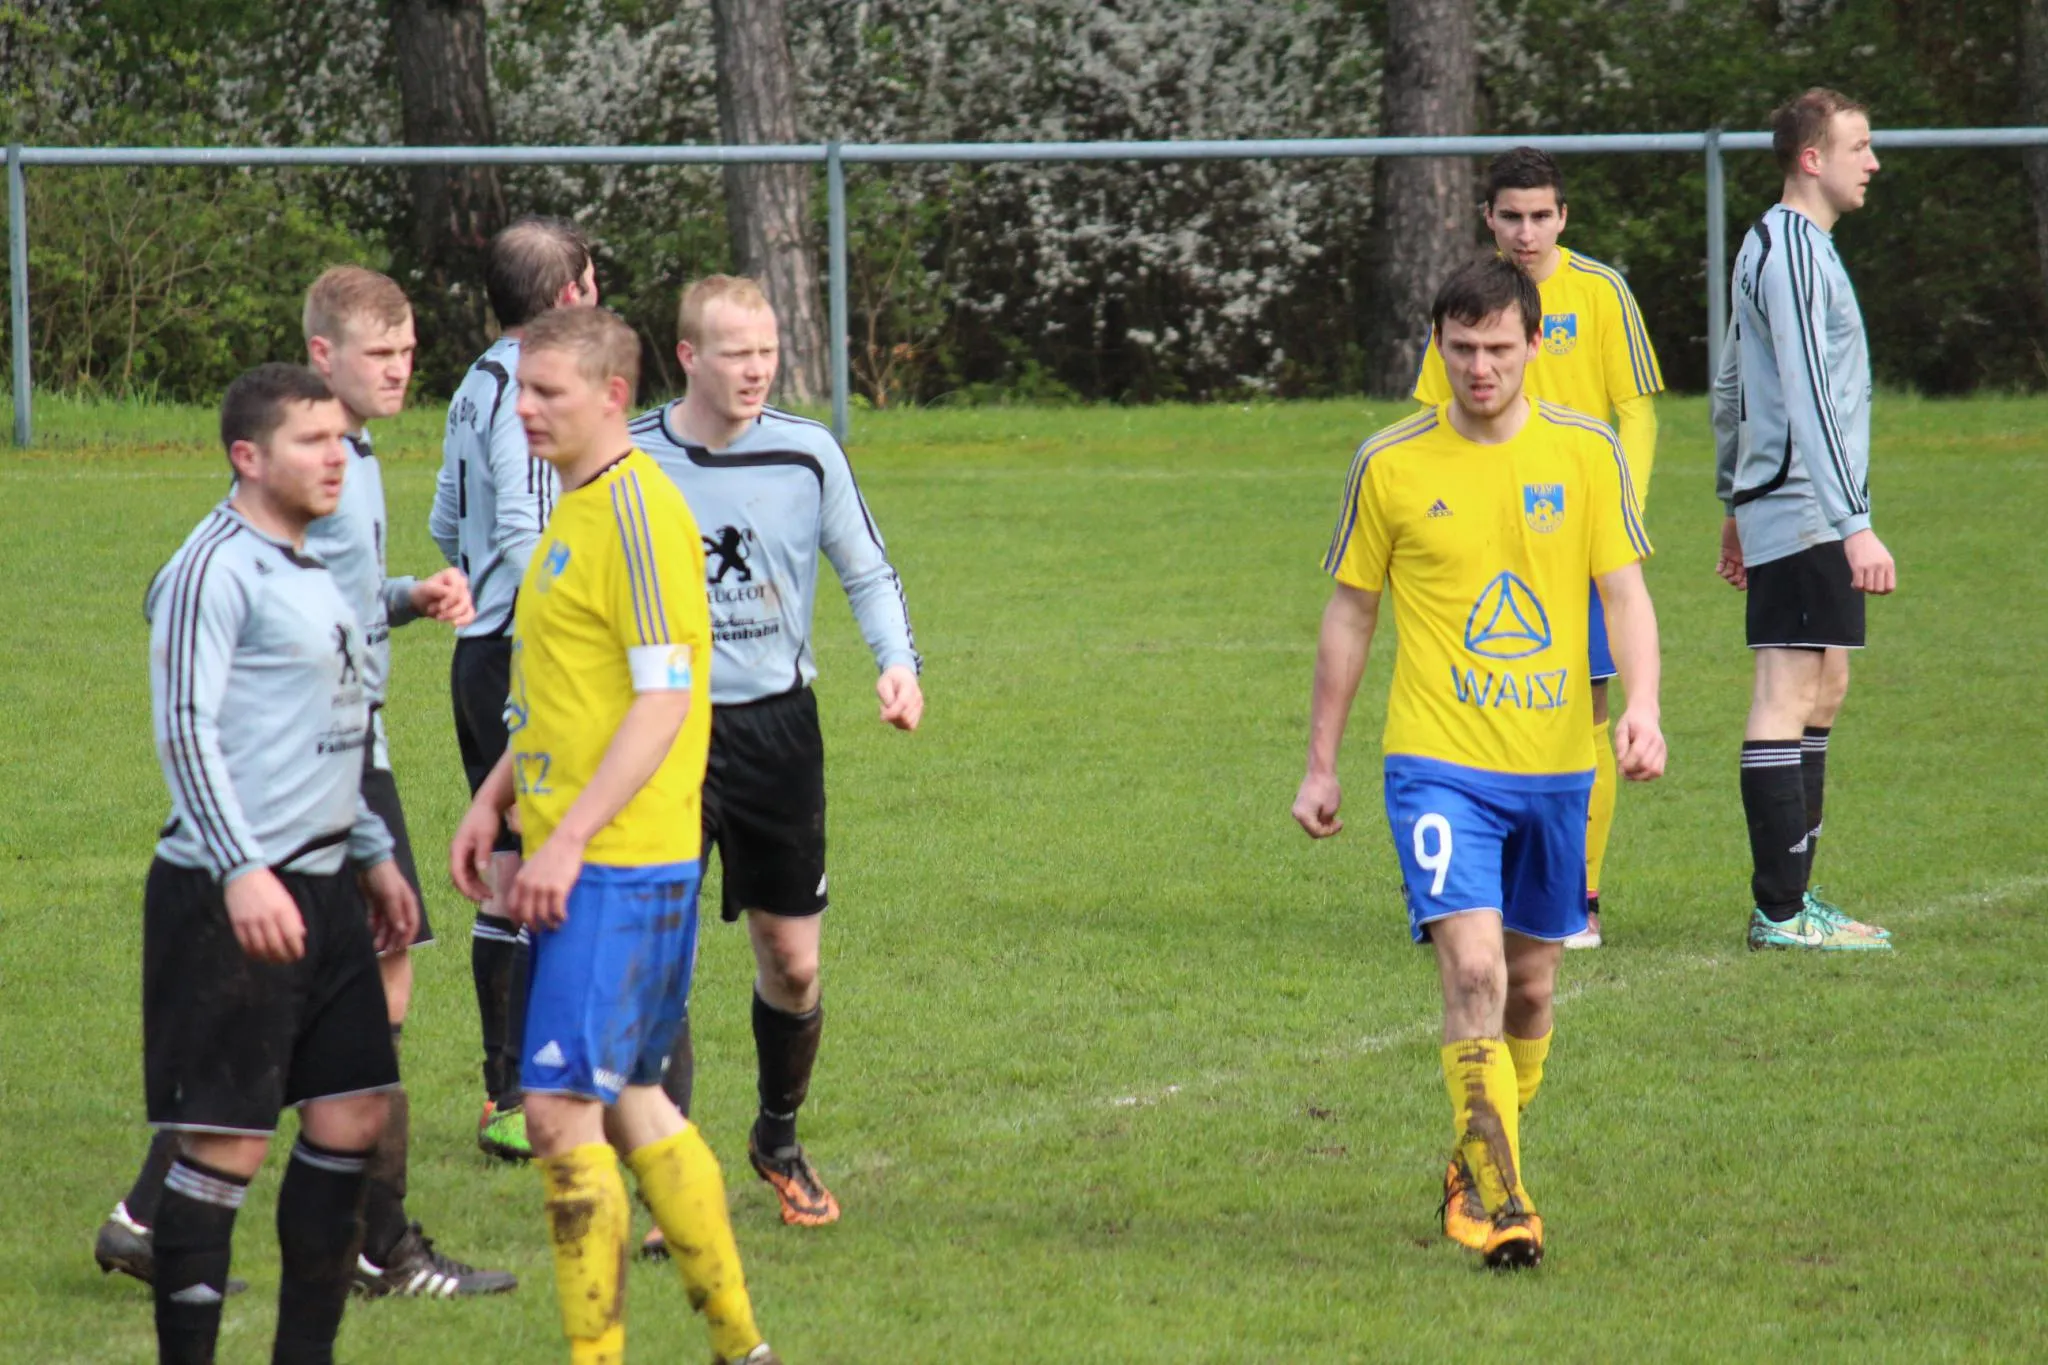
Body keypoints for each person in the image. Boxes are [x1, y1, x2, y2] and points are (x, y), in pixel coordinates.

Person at [96, 269, 516, 1301]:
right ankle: (372, 1244)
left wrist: (407, 596)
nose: (401, 368)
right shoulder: (308, 461)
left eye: (409, 351)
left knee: (340, 997)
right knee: (354, 996)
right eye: (382, 354)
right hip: (325, 757)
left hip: (347, 748)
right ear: (323, 356)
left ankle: (163, 1217)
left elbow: (329, 591)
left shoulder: (354, 459)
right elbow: (195, 586)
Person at [1294, 258, 1666, 1269]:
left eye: (1498, 348)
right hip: (1435, 763)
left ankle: (1476, 1154)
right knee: (1471, 968)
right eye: (1460, 348)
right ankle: (1501, 1198)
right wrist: (1320, 763)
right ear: (1437, 346)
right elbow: (1350, 614)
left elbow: (1623, 595)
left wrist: (1640, 707)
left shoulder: (1584, 451)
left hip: (1555, 768)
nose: (1479, 367)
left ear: (1534, 345)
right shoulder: (1388, 462)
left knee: (1531, 990)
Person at [449, 305, 779, 1365]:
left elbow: (663, 699)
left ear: (612, 397)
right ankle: (742, 1346)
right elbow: (569, 691)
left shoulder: (636, 512)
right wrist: (497, 796)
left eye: (548, 392)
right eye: (522, 388)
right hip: (592, 858)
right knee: (634, 1103)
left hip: (621, 863)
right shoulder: (575, 507)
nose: (525, 409)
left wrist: (566, 841)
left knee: (555, 1114)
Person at [134, 363, 418, 1364]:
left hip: (327, 887)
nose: (337, 457)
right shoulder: (211, 567)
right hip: (230, 894)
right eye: (312, 441)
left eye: (340, 440)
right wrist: (240, 868)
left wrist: (373, 855)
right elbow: (185, 726)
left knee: (352, 1116)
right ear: (247, 456)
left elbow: (332, 727)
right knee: (227, 1144)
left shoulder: (311, 567)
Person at [631, 274, 923, 1237]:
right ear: (689, 356)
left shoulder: (808, 452)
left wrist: (898, 665)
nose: (756, 369)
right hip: (662, 732)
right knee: (659, 960)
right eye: (736, 352)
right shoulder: (630, 459)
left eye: (767, 351)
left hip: (777, 733)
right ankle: (671, 1175)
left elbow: (868, 569)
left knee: (792, 963)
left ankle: (777, 1138)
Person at [1415, 146, 1664, 950]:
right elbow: (1429, 417)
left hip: (1573, 538)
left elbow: (1637, 410)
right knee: (1477, 706)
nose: (1526, 232)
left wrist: (1619, 514)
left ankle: (1579, 894)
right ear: (1487, 218)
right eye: (1511, 217)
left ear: (1563, 217)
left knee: (1582, 711)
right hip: (1483, 544)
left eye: (1540, 216)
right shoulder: (1470, 302)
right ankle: (1478, 888)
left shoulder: (1599, 291)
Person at [431, 217, 601, 1161]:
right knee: (539, 868)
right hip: (523, 652)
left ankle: (510, 1096)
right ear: (569, 294)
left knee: (505, 869)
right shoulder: (529, 392)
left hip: (478, 650)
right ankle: (530, 1091)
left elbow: (445, 519)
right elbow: (530, 534)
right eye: (591, 279)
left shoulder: (474, 381)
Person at [1712, 89, 1894, 952]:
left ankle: (1794, 901)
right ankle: (1780, 913)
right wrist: (1853, 521)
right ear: (1812, 159)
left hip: (1788, 499)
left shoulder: (1783, 243)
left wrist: (1732, 500)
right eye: (1859, 146)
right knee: (1786, 691)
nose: (1873, 162)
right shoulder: (1789, 251)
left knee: (1827, 684)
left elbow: (1731, 383)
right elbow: (1809, 391)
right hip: (1805, 503)